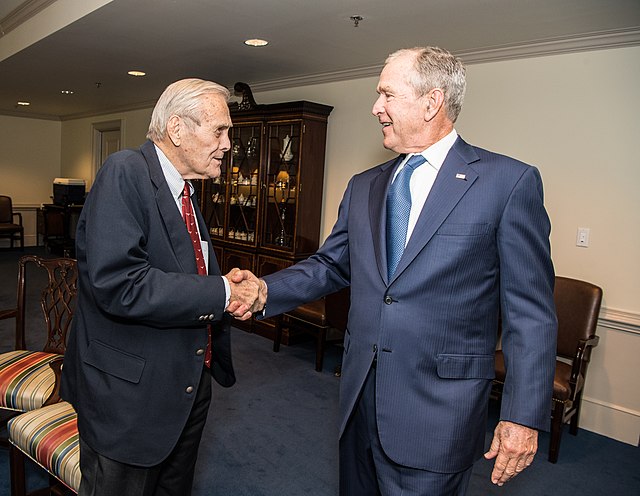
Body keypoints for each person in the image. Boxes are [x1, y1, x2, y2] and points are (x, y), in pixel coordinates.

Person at [257, 47, 557, 495]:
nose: (375, 107)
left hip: (439, 415)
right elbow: (330, 265)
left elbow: (530, 312)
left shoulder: (508, 183)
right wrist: (262, 290)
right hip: (358, 400)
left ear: (431, 102)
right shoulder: (365, 186)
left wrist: (521, 415)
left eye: (387, 95)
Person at [61, 78, 262, 496]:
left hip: (184, 384)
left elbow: (183, 271)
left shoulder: (183, 192)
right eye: (219, 131)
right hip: (129, 399)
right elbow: (120, 284)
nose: (228, 144)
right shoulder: (125, 171)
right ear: (176, 129)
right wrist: (222, 293)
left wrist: (228, 287)